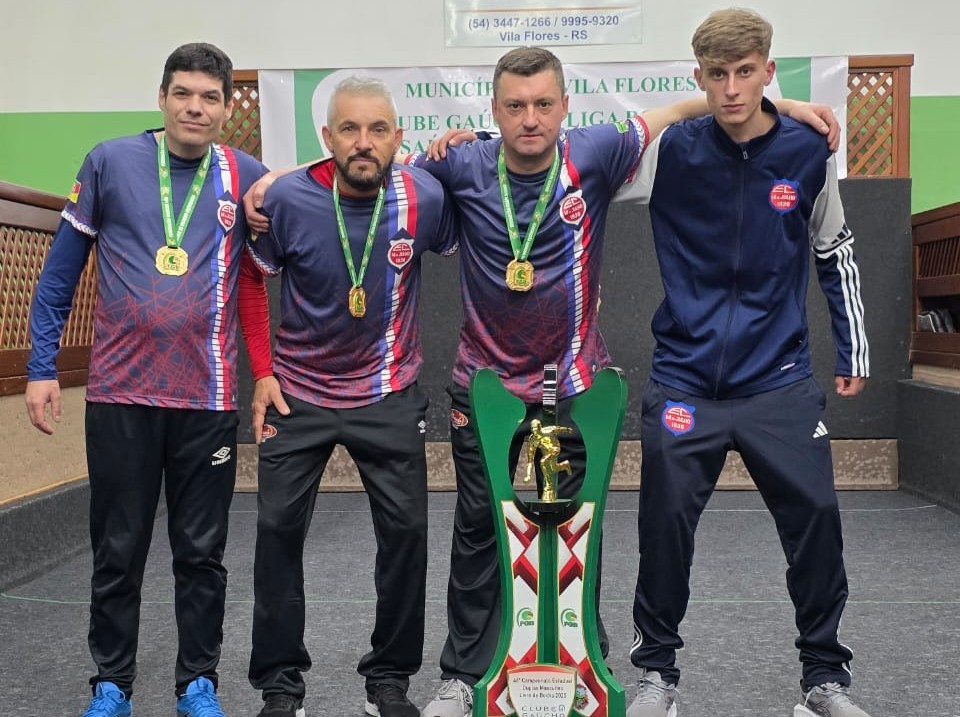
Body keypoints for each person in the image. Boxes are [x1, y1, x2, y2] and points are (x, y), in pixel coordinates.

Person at [243, 49, 839, 717]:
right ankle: (462, 676)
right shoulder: (459, 164)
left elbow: (682, 108)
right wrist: (277, 181)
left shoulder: (598, 151)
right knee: (479, 530)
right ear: (494, 112)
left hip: (574, 383)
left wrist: (782, 105)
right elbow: (366, 162)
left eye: (543, 104)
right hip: (486, 387)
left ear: (564, 107)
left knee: (576, 529)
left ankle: (585, 662)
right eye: (515, 106)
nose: (530, 119)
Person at [612, 9, 871, 717]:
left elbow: (834, 246)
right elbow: (572, 159)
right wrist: (470, 145)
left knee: (817, 519)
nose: (731, 89)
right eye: (717, 74)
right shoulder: (669, 151)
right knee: (663, 526)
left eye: (746, 72)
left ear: (768, 72)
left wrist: (854, 345)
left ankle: (824, 679)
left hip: (778, 380)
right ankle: (656, 675)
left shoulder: (807, 151)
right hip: (684, 381)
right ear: (698, 77)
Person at [24, 43, 267, 717]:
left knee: (202, 553)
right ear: (161, 97)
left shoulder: (246, 175)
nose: (195, 107)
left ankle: (198, 683)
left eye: (210, 97)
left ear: (226, 108)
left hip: (206, 398)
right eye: (183, 93)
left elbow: (303, 209)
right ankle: (112, 683)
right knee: (118, 549)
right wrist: (41, 366)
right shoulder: (109, 162)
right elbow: (59, 275)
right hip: (119, 393)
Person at [238, 76, 458, 717]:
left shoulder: (424, 197)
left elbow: (472, 229)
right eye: (350, 129)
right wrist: (262, 371)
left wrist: (468, 138)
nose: (364, 142)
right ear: (327, 136)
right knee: (275, 533)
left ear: (398, 136)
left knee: (406, 536)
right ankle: (281, 686)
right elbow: (252, 276)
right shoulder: (284, 199)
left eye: (378, 129)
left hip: (388, 394)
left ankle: (389, 680)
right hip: (297, 395)